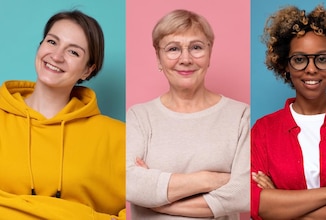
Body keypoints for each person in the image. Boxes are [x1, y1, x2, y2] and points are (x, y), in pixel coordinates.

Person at [250, 4, 326, 219]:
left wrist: (281, 205)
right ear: (285, 66)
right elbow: (255, 204)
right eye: (299, 59)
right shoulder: (263, 130)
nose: (311, 68)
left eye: (322, 58)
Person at [125, 9, 250, 219]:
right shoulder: (138, 116)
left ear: (210, 53)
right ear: (159, 57)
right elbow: (128, 182)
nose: (185, 59)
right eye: (173, 49)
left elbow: (244, 192)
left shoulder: (241, 116)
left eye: (196, 48)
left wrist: (159, 202)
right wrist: (209, 180)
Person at [0, 10, 125, 219]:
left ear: (88, 70)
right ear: (40, 46)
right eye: (52, 42)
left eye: (73, 52)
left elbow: (149, 205)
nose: (56, 56)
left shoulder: (119, 137)